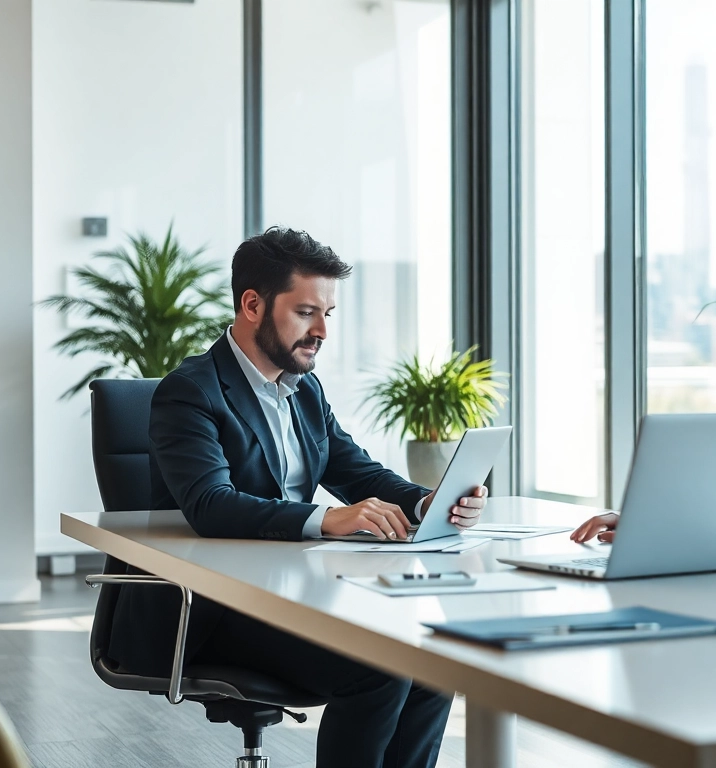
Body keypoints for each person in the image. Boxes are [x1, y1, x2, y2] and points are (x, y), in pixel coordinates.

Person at [108, 227, 486, 768]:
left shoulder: (303, 387)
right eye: (307, 311)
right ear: (253, 304)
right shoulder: (190, 392)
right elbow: (211, 504)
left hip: (296, 591)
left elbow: (354, 469)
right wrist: (326, 518)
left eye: (329, 313)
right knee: (380, 666)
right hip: (218, 607)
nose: (323, 331)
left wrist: (428, 501)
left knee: (433, 660)